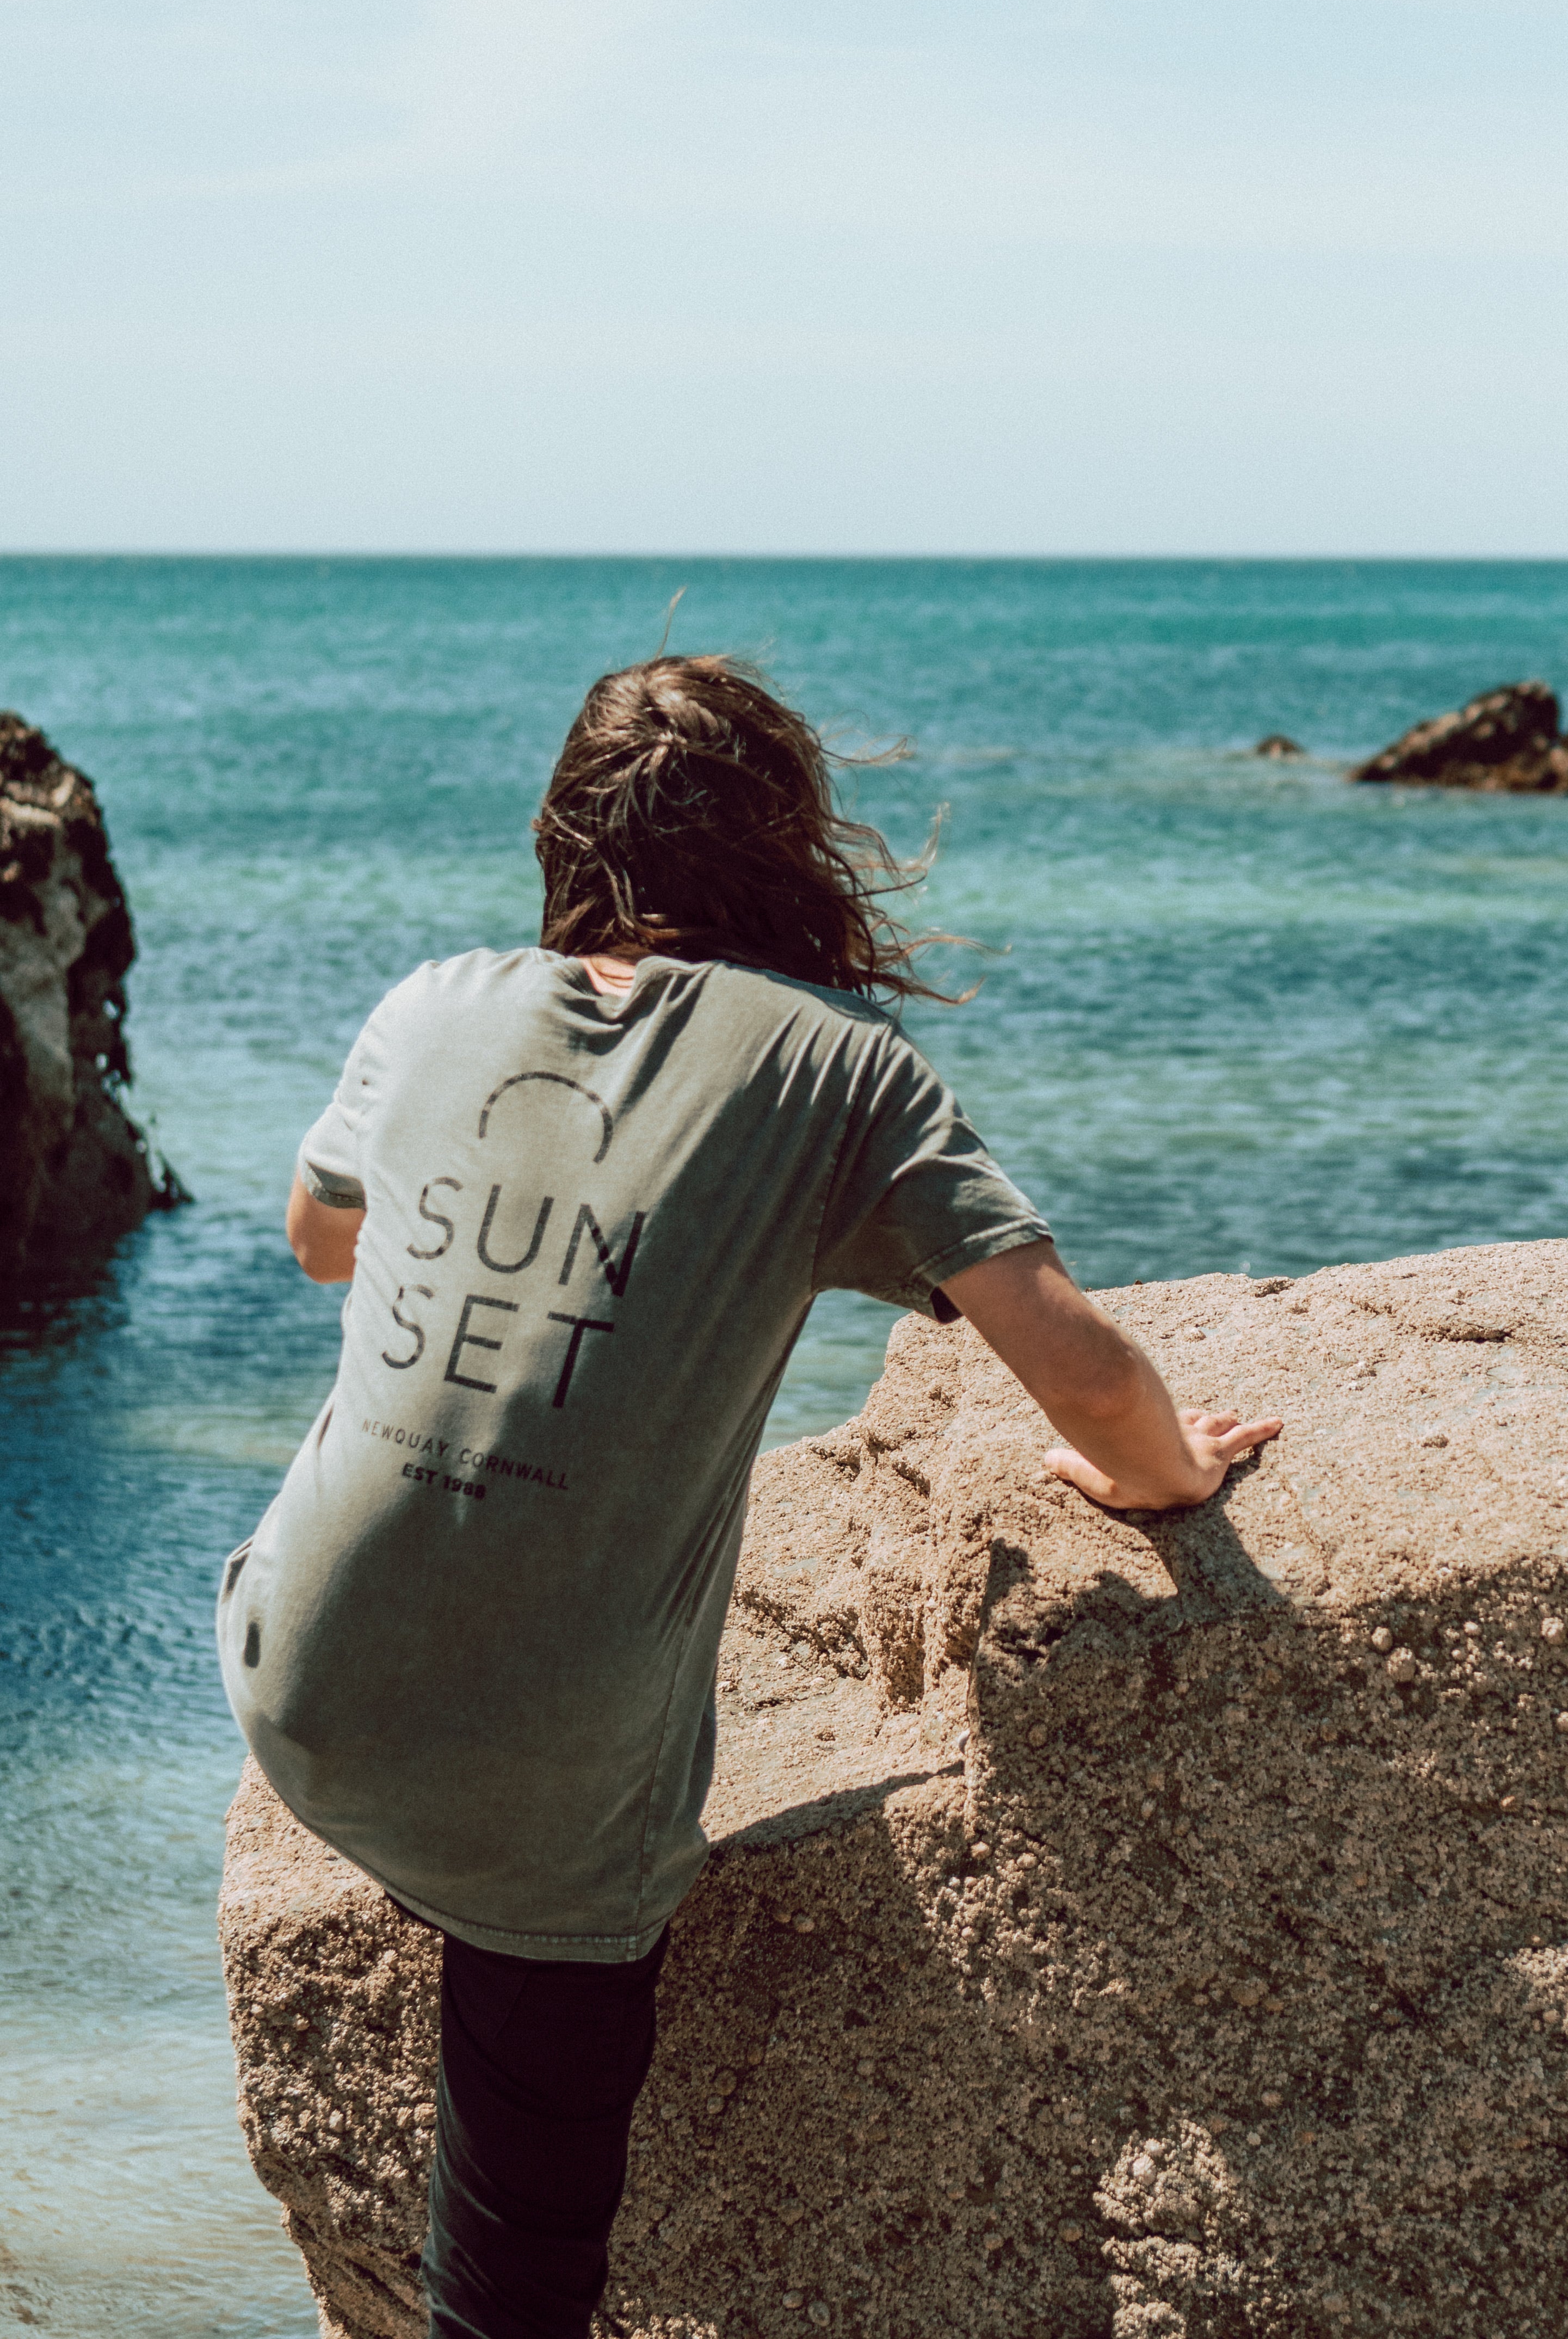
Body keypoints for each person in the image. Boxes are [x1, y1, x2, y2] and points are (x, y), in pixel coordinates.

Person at [217, 654, 1280, 2339]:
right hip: (543, 1791)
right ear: (790, 851)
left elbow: (320, 1241)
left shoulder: (428, 1002)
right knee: (516, 2279)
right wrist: (1160, 1472)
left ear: (565, 836)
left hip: (288, 1671)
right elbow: (1082, 1373)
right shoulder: (841, 1079)